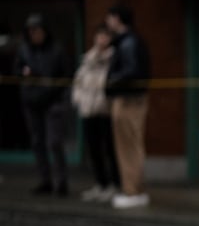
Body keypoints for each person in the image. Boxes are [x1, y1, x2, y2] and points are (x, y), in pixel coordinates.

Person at [14, 13, 70, 196]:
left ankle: (61, 182)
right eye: (31, 31)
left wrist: (60, 98)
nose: (34, 35)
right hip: (32, 102)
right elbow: (16, 70)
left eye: (37, 31)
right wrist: (24, 74)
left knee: (54, 142)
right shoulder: (24, 50)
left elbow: (66, 76)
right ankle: (45, 180)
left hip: (53, 102)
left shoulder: (56, 49)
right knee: (38, 142)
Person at [105, 5, 151, 210]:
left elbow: (131, 70)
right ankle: (135, 189)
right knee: (133, 144)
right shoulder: (131, 40)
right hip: (134, 99)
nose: (108, 22)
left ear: (117, 19)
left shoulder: (128, 42)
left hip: (127, 100)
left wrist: (111, 81)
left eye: (110, 18)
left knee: (127, 146)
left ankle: (131, 190)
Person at [72, 23, 121, 202]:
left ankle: (115, 185)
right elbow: (78, 82)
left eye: (105, 36)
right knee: (94, 150)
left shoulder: (114, 58)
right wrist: (79, 101)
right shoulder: (88, 58)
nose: (102, 40)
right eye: (99, 35)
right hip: (88, 110)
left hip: (106, 111)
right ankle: (101, 184)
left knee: (110, 149)